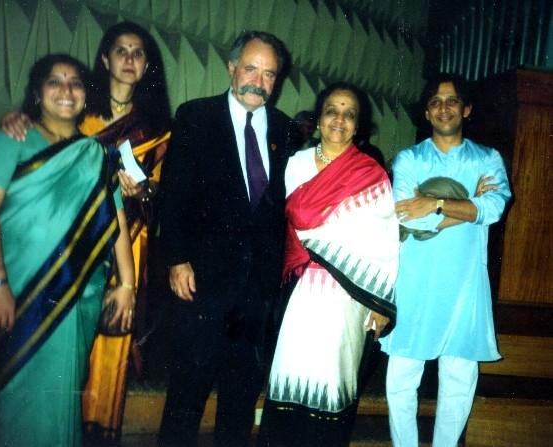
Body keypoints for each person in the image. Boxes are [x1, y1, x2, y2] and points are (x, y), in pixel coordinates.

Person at [0, 21, 171, 443]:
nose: (129, 59)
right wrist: (17, 120)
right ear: (104, 58)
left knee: (110, 346)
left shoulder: (158, 131)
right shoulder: (79, 115)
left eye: (138, 53)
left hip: (126, 243)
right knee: (60, 340)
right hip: (70, 245)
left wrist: (144, 191)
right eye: (121, 50)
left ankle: (94, 435)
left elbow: (165, 200)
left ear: (147, 64)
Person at [0, 54, 135, 447]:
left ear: (85, 94)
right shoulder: (10, 140)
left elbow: (117, 224)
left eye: (76, 82)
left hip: (76, 297)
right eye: (55, 82)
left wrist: (127, 284)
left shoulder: (99, 155)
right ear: (36, 92)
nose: (66, 90)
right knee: (13, 398)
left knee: (61, 397)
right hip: (17, 293)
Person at [157, 30, 293, 447]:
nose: (259, 81)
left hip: (257, 291)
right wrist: (177, 259)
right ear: (232, 68)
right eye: (251, 68)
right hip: (203, 282)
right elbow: (174, 193)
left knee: (239, 396)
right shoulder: (195, 116)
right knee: (187, 393)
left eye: (269, 74)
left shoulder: (286, 130)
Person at [257, 82, 399, 447]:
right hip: (297, 292)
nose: (340, 119)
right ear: (319, 118)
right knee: (290, 374)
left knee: (332, 381)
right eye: (332, 110)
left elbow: (383, 242)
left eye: (349, 113)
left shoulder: (371, 174)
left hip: (346, 297)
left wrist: (378, 304)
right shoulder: (294, 164)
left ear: (357, 124)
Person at [379, 74, 512, 447]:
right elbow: (408, 217)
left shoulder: (488, 158)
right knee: (402, 377)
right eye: (436, 101)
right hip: (417, 281)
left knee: (458, 380)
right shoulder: (410, 159)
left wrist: (436, 201)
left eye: (452, 100)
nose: (444, 107)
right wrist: (470, 204)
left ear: (467, 109)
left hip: (465, 283)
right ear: (426, 112)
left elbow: (495, 207)